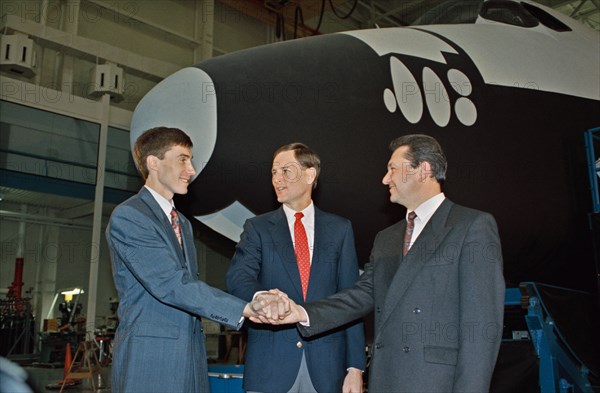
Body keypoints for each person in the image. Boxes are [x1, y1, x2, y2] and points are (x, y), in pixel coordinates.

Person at [265, 134, 506, 393]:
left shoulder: (471, 226)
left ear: (423, 170)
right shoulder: (387, 238)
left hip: (437, 383)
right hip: (387, 380)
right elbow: (361, 294)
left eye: (392, 169)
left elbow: (481, 328)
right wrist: (302, 312)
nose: (385, 179)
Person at [105, 127, 273, 393]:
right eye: (183, 158)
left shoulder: (182, 223)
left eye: (191, 160)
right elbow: (172, 285)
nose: (191, 169)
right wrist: (243, 308)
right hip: (152, 358)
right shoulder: (130, 217)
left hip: (190, 356)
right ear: (153, 163)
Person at [226, 143, 365, 393]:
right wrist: (262, 297)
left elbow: (351, 300)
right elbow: (239, 276)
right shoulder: (257, 228)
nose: (277, 179)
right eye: (273, 172)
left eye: (286, 171)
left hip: (327, 370)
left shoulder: (340, 229)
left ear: (310, 175)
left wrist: (354, 368)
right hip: (270, 369)